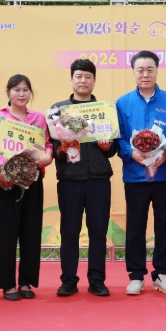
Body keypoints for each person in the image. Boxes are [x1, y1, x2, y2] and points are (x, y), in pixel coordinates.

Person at [116, 50, 166, 295]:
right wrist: (131, 153)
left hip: (164, 175)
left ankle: (161, 274)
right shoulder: (123, 103)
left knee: (165, 224)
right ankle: (136, 275)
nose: (145, 74)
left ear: (157, 71)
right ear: (133, 72)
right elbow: (118, 137)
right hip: (135, 175)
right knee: (135, 225)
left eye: (150, 69)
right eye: (140, 69)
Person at [49, 59, 116, 297]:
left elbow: (113, 148)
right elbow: (52, 147)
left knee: (98, 231)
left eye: (88, 76)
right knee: (69, 231)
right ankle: (68, 279)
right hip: (70, 180)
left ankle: (97, 279)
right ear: (71, 79)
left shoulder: (105, 110)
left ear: (94, 81)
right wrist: (65, 144)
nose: (83, 81)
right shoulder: (58, 111)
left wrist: (107, 146)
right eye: (79, 76)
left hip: (99, 180)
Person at [0, 74, 53, 301]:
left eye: (25, 90)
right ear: (8, 93)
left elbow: (47, 145)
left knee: (31, 231)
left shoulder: (38, 117)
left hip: (33, 180)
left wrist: (48, 157)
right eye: (16, 90)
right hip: (6, 181)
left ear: (30, 93)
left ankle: (26, 281)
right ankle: (7, 284)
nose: (21, 94)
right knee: (6, 232)